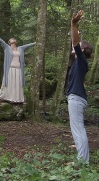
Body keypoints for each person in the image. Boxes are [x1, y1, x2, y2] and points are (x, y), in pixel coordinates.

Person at [66, 10, 93, 163]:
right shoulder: (78, 63)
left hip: (76, 98)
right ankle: (82, 158)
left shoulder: (81, 60)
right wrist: (74, 29)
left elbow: (75, 42)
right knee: (77, 130)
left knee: (78, 130)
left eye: (77, 46)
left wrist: (74, 24)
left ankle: (83, 161)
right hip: (76, 98)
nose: (73, 46)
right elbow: (74, 41)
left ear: (82, 50)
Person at [0, 32, 36, 104]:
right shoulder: (7, 48)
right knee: (6, 83)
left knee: (18, 84)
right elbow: (1, 41)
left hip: (18, 70)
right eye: (11, 39)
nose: (13, 39)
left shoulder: (20, 48)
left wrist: (36, 42)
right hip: (10, 69)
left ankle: (19, 99)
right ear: (9, 42)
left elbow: (29, 45)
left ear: (16, 41)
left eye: (14, 39)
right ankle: (0, 98)